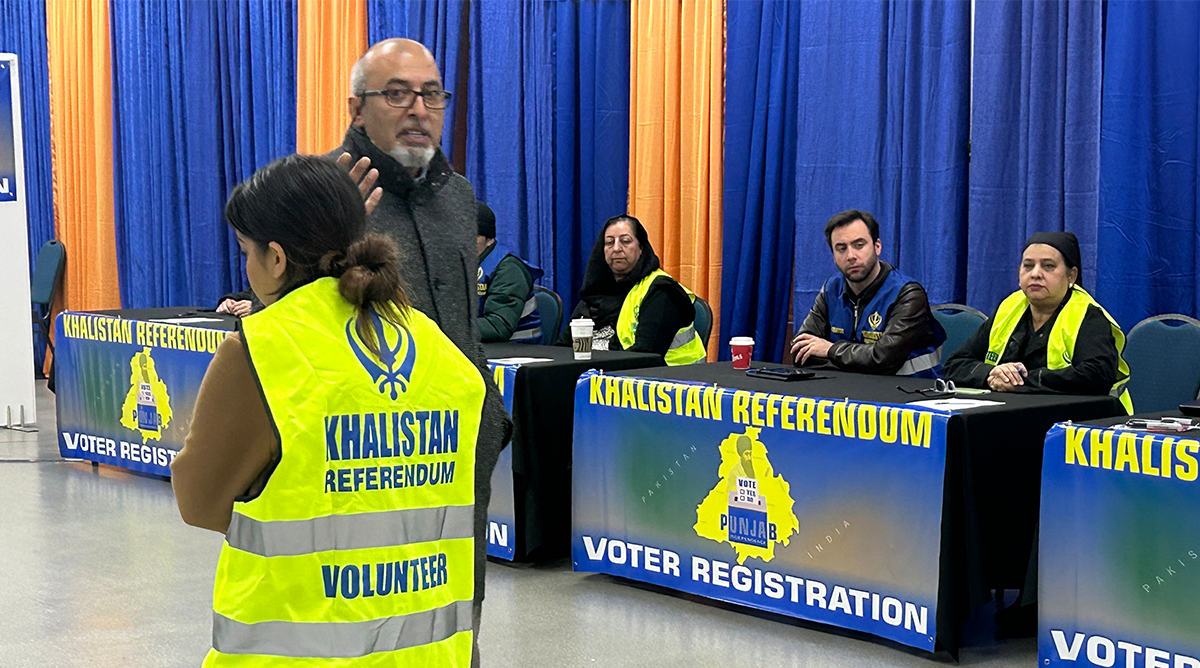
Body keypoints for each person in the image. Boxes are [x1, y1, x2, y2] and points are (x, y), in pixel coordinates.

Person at [171, 155, 483, 666]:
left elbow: (199, 503)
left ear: (275, 258)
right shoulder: (436, 345)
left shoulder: (260, 352)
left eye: (245, 252)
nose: (246, 269)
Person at [333, 38, 511, 657]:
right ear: (357, 109)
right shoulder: (327, 194)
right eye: (397, 93)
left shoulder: (457, 195)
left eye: (431, 94)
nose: (418, 108)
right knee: (374, 615)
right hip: (370, 452)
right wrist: (327, 238)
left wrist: (490, 418)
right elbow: (287, 317)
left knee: (460, 606)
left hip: (460, 445)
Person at [944, 231, 1132, 412]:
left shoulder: (1087, 315)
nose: (1035, 274)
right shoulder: (1009, 307)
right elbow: (955, 364)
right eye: (1028, 265)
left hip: (1078, 423)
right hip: (1009, 416)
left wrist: (1019, 381)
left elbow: (1096, 377)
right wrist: (991, 375)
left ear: (1071, 276)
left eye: (1048, 266)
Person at [791, 209, 946, 377]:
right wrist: (860, 361)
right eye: (841, 248)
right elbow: (801, 352)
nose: (851, 256)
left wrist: (829, 350)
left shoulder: (908, 294)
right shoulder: (831, 289)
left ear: (877, 247)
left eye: (859, 245)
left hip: (911, 392)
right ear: (834, 256)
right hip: (847, 390)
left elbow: (883, 361)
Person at [557, 214, 706, 365]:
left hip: (670, 381)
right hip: (601, 378)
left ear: (641, 248)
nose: (616, 248)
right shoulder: (596, 293)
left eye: (625, 241)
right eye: (609, 243)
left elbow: (645, 357)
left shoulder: (661, 291)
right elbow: (563, 348)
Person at [475, 201, 544, 343]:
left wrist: (446, 328)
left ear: (489, 239)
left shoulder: (509, 269)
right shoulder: (459, 265)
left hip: (519, 353)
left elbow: (498, 327)